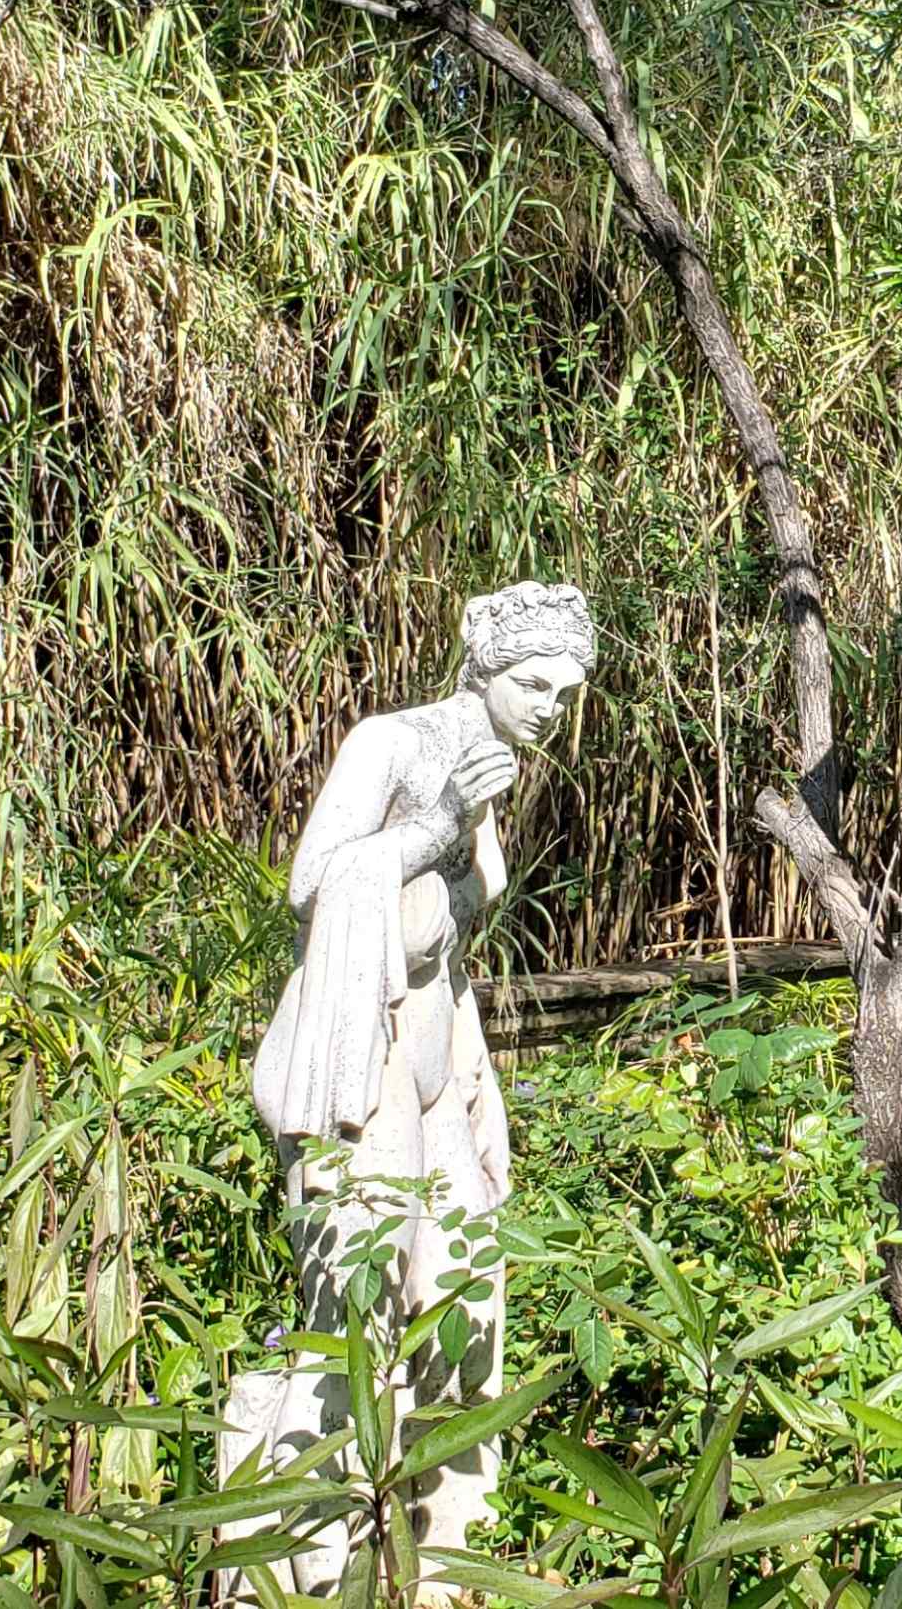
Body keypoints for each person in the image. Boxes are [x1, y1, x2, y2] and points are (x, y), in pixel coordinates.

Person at [219, 581, 595, 1597]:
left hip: (434, 1076)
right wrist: (433, 826)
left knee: (470, 1295)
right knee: (358, 1314)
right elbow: (313, 882)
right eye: (533, 682)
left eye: (566, 689)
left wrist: (478, 1095)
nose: (551, 704)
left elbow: (448, 950)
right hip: (363, 1072)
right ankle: (308, 1567)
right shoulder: (392, 742)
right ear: (484, 670)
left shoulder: (494, 770)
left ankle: (441, 1569)